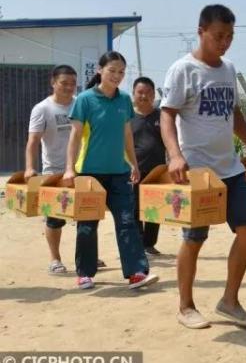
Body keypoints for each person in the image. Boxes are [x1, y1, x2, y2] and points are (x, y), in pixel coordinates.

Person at [161, 4, 246, 329]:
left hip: (231, 168)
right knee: (195, 238)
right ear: (201, 32)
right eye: (219, 36)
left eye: (230, 36)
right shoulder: (183, 70)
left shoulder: (228, 69)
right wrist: (175, 155)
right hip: (197, 171)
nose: (225, 42)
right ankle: (186, 306)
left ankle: (230, 301)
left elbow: (234, 115)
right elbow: (167, 115)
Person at [63, 51, 159, 291]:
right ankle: (85, 273)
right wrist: (69, 169)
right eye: (112, 70)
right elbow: (75, 136)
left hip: (119, 172)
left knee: (127, 221)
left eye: (121, 72)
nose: (117, 75)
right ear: (100, 70)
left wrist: (134, 164)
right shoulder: (85, 99)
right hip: (89, 173)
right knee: (87, 225)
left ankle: (136, 273)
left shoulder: (124, 100)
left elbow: (127, 135)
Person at [25, 65, 105, 274]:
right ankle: (55, 259)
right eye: (64, 83)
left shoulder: (81, 104)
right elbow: (33, 141)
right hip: (55, 172)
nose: (69, 87)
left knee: (88, 215)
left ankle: (88, 256)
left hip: (82, 169)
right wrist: (30, 168)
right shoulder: (43, 109)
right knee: (55, 218)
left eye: (73, 83)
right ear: (53, 83)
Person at [131, 76, 165, 256]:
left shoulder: (162, 116)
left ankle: (149, 244)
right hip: (134, 170)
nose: (144, 96)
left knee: (154, 208)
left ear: (153, 94)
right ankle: (138, 243)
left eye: (148, 92)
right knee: (135, 208)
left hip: (157, 171)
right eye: (140, 92)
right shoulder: (127, 117)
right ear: (133, 94)